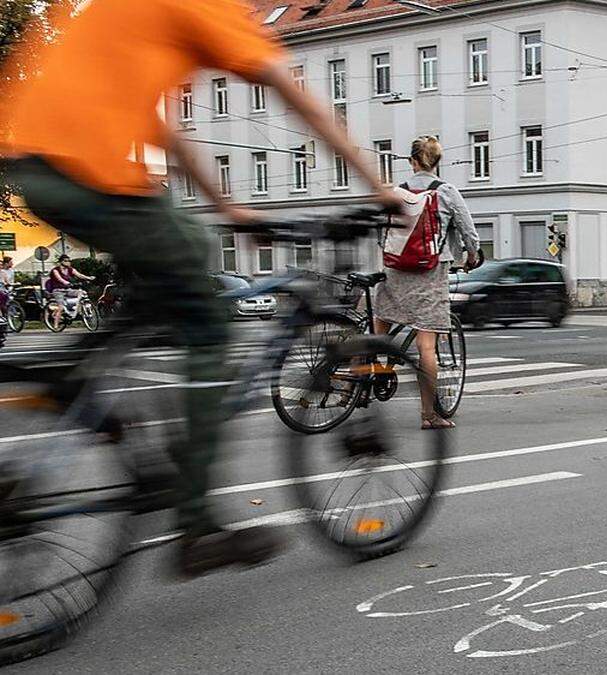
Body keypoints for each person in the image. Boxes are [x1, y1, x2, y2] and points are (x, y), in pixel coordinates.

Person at [2, 0, 411, 577]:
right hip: (85, 174)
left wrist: (225, 205)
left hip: (41, 164)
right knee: (208, 323)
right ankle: (196, 524)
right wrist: (377, 186)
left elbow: (158, 125)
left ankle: (82, 385)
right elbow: (293, 96)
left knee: (175, 269)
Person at [374, 136, 480, 430]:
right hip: (430, 271)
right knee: (426, 347)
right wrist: (471, 256)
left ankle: (362, 379)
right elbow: (468, 231)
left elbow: (380, 231)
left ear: (412, 161)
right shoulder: (446, 191)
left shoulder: (396, 192)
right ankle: (429, 415)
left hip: (394, 270)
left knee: (380, 322)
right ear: (437, 162)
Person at [44, 254, 95, 326]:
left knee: (82, 292)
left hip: (68, 290)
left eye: (69, 261)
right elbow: (59, 279)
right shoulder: (55, 270)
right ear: (61, 262)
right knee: (61, 307)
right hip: (58, 291)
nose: (68, 262)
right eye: (66, 261)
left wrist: (89, 278)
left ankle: (76, 310)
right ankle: (55, 325)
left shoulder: (70, 269)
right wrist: (67, 283)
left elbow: (79, 275)